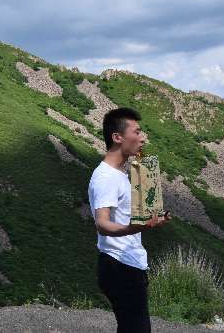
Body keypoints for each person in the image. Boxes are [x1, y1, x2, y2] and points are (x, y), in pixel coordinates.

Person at [88, 107, 171, 333]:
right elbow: (102, 223)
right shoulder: (105, 177)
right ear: (117, 137)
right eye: (137, 132)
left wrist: (151, 221)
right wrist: (132, 227)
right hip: (119, 266)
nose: (143, 138)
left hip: (128, 263)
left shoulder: (122, 174)